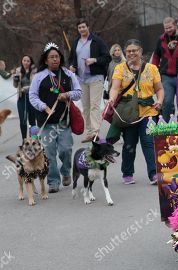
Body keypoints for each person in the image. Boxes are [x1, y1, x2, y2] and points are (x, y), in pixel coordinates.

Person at [107, 39, 164, 185]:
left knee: (148, 143)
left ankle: (153, 174)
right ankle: (127, 173)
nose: (132, 53)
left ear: (140, 51)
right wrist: (111, 99)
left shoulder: (151, 68)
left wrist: (159, 100)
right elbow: (114, 88)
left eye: (134, 50)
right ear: (126, 53)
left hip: (148, 111)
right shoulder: (120, 68)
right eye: (129, 51)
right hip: (128, 112)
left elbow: (159, 89)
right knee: (129, 143)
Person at [29, 42, 82, 193]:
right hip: (46, 123)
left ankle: (66, 172)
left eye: (57, 56)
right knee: (50, 153)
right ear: (45, 60)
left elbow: (78, 92)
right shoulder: (39, 77)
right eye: (51, 57)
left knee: (65, 150)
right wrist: (43, 107)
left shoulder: (68, 74)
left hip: (63, 121)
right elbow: (32, 96)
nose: (55, 59)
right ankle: (53, 181)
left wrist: (67, 94)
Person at [69, 19, 111, 143]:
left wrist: (95, 60)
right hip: (81, 79)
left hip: (96, 77)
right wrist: (72, 66)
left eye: (83, 27)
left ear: (88, 27)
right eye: (79, 28)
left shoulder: (97, 41)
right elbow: (72, 58)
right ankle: (89, 132)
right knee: (86, 107)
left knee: (94, 106)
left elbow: (107, 57)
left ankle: (95, 133)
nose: (82, 29)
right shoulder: (76, 42)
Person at [151, 17, 178, 122]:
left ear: (175, 25)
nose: (168, 30)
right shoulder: (161, 39)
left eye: (170, 27)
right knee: (167, 102)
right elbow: (156, 56)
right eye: (165, 28)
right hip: (166, 76)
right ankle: (165, 124)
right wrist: (154, 73)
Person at [13, 55, 37, 140]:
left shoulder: (34, 71)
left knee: (32, 121)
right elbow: (15, 86)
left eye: (28, 61)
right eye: (24, 60)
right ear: (22, 61)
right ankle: (24, 140)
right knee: (23, 120)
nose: (26, 62)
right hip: (21, 98)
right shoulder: (18, 70)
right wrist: (15, 80)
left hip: (32, 98)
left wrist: (26, 88)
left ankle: (33, 140)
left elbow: (35, 85)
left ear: (31, 62)